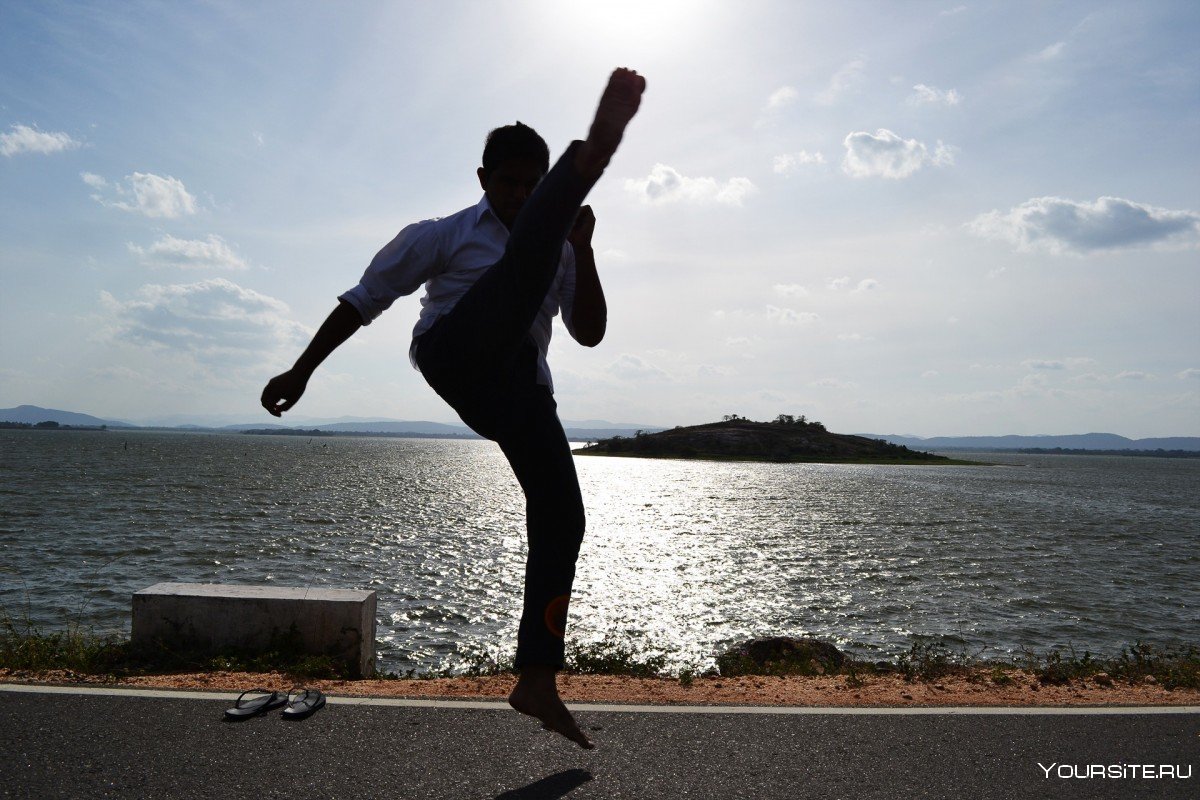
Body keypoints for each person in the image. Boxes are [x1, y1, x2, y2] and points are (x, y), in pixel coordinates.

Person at [260, 68, 646, 748]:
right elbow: (363, 300)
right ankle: (593, 154)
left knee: (565, 517)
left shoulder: (556, 246)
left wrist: (583, 252)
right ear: (482, 179)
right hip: (456, 354)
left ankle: (536, 677)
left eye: (534, 186)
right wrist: (302, 369)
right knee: (523, 259)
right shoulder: (442, 235)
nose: (519, 196)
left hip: (519, 388)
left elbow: (589, 332)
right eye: (510, 184)